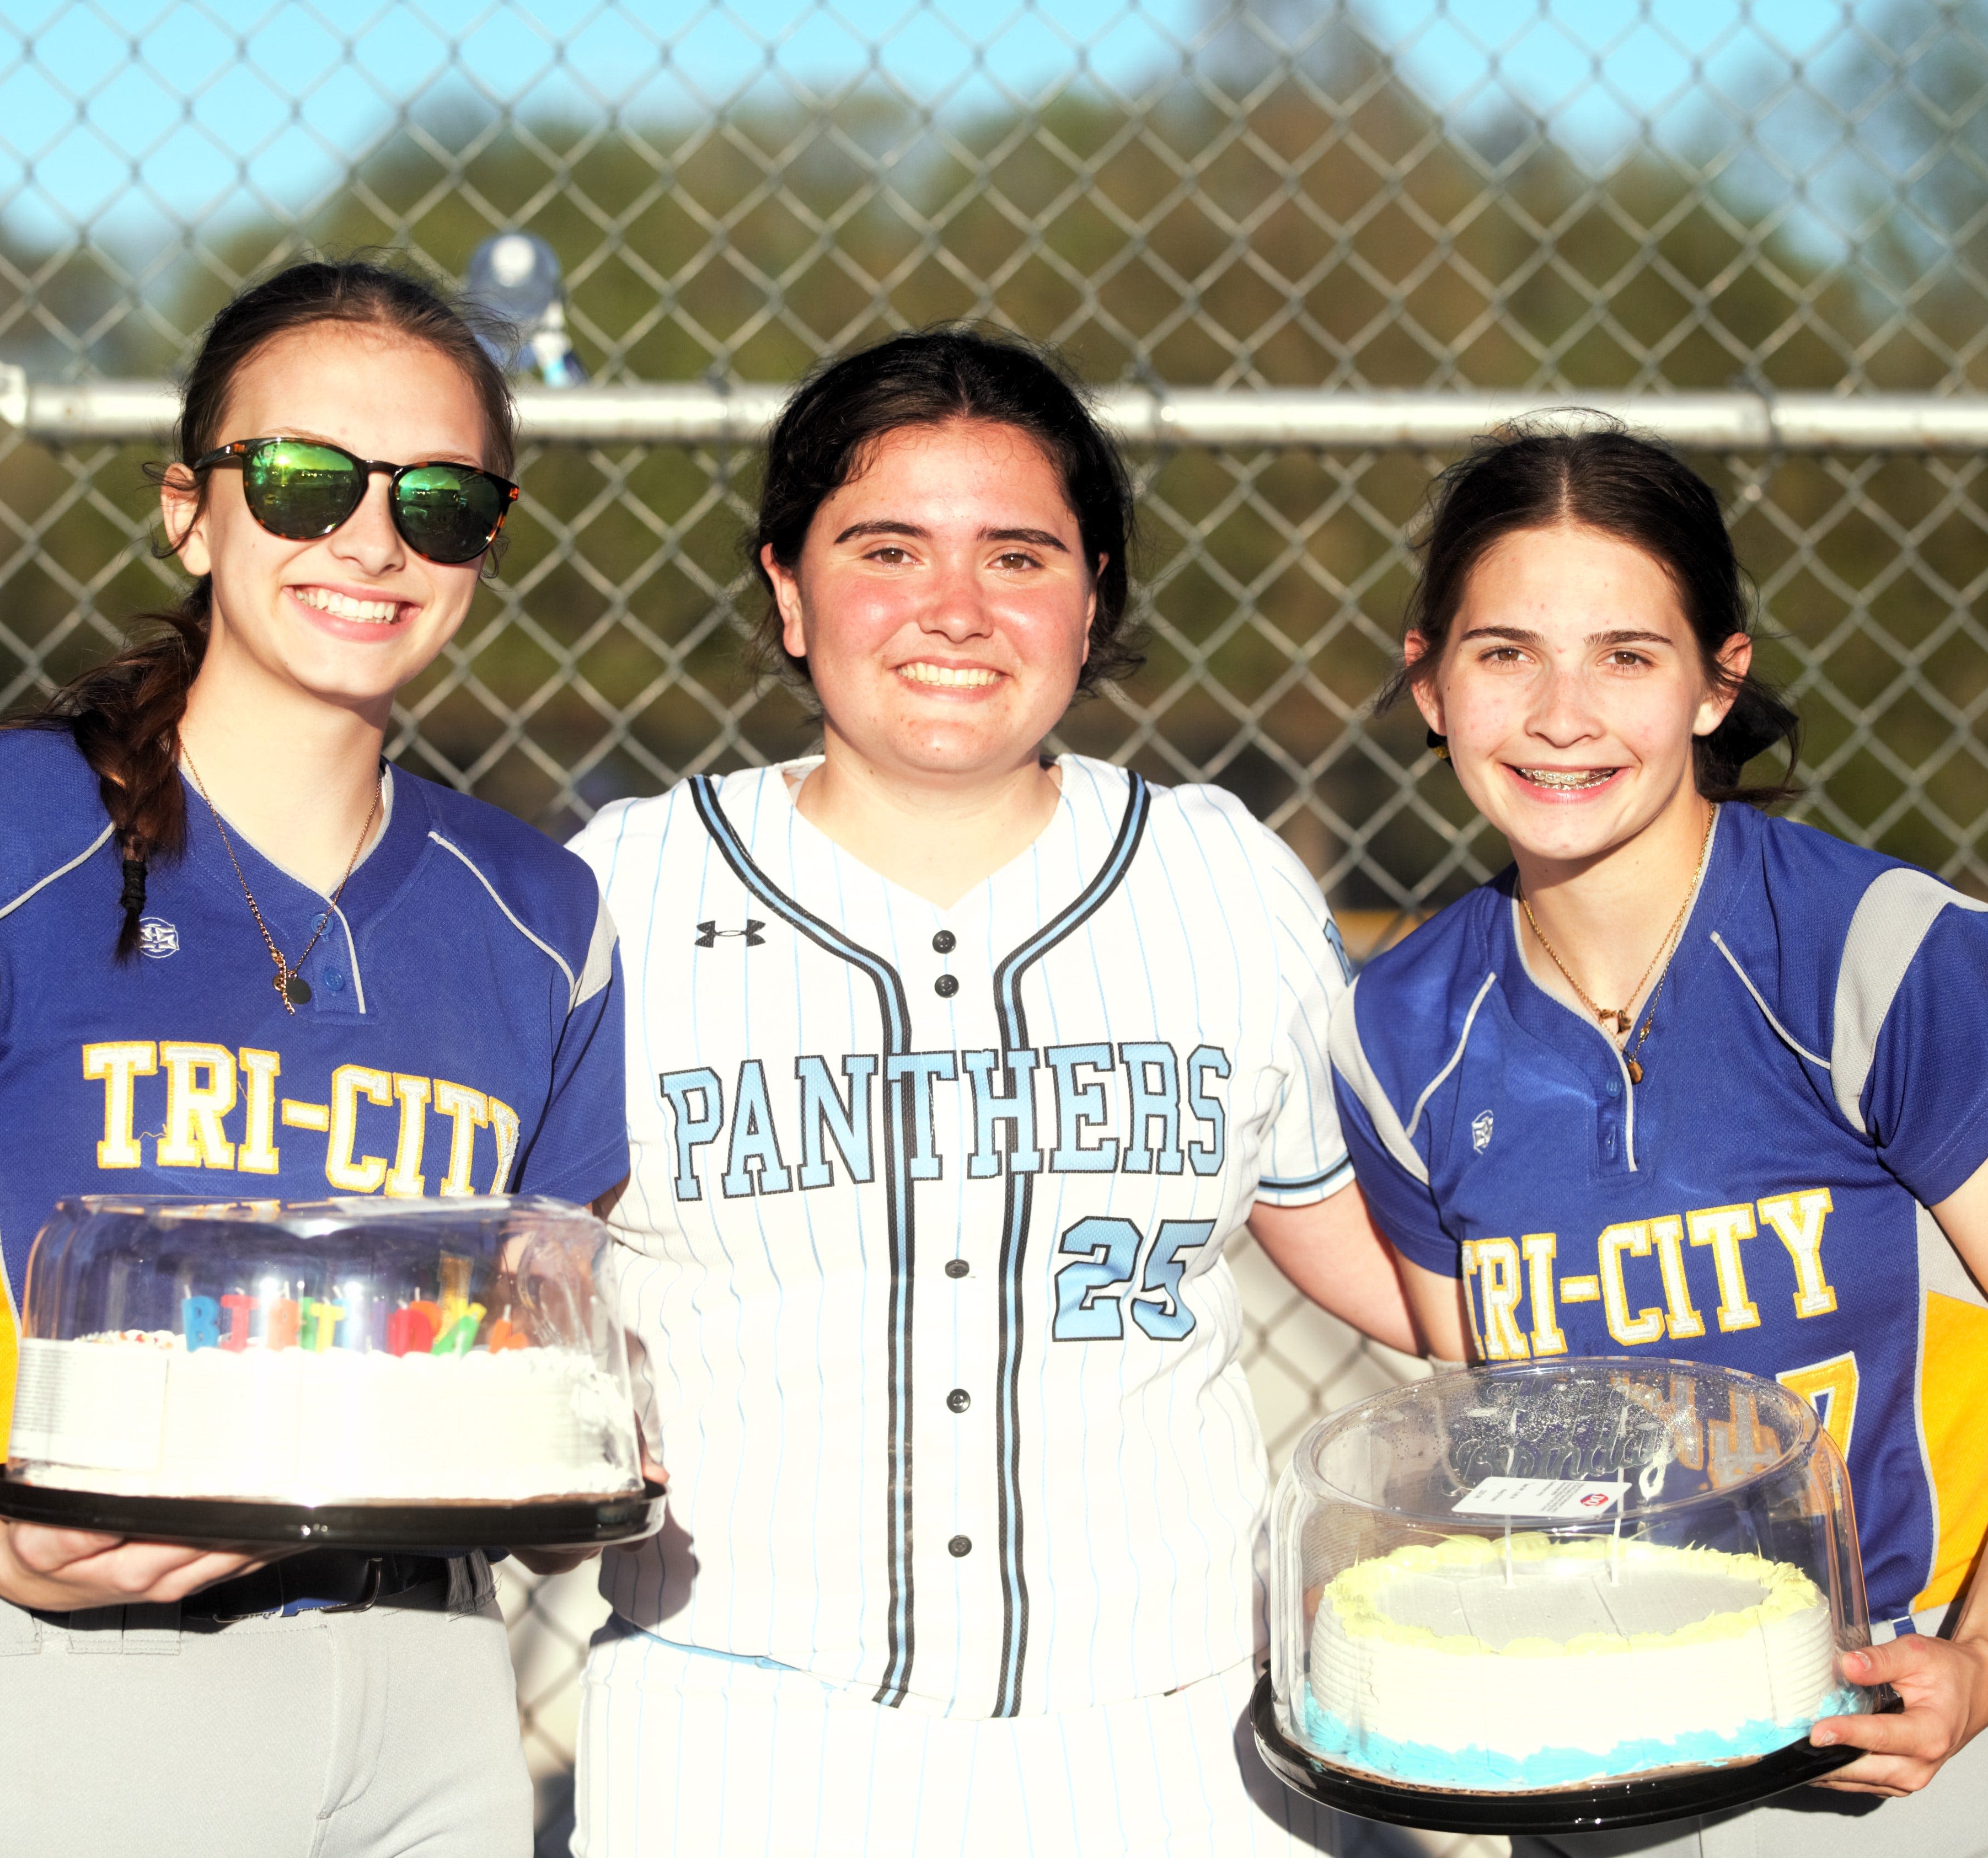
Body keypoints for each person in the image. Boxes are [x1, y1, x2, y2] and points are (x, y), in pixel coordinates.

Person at [0, 260, 628, 1857]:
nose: (370, 537)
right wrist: (3, 1549)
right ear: (190, 512)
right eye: (300, 480)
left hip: (434, 1689)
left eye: (442, 500)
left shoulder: (546, 911)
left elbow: (534, 1377)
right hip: (65, 1657)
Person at [561, 325, 1417, 1856]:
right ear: (788, 588)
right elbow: (500, 1264)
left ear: (1092, 601)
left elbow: (1370, 1246)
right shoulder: (623, 884)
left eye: (1018, 556)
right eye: (887, 547)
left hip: (1181, 1727)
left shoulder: (1221, 878)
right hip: (736, 1723)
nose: (954, 609)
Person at [1330, 424, 1988, 1856]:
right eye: (1507, 652)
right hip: (1595, 1734)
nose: (1561, 714)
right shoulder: (1398, 1030)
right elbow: (1492, 1406)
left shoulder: (1884, 952)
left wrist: (1985, 1655)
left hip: (1891, 1720)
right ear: (1430, 679)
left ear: (1720, 680)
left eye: (1629, 656)